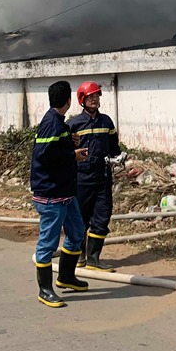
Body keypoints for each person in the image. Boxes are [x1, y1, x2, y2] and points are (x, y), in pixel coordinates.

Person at [30, 80, 90, 308]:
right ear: (69, 100)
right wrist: (72, 155)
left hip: (65, 193)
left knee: (77, 233)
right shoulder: (51, 124)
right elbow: (44, 155)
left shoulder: (58, 124)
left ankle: (66, 277)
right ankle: (45, 290)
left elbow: (54, 147)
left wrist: (69, 142)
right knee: (48, 242)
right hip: (50, 195)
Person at [67, 81, 124, 272]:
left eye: (97, 96)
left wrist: (119, 157)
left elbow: (114, 147)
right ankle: (80, 256)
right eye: (90, 96)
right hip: (81, 178)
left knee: (102, 216)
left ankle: (93, 258)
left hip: (103, 177)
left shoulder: (106, 122)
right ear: (82, 100)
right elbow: (65, 152)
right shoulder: (73, 124)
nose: (94, 99)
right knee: (80, 219)